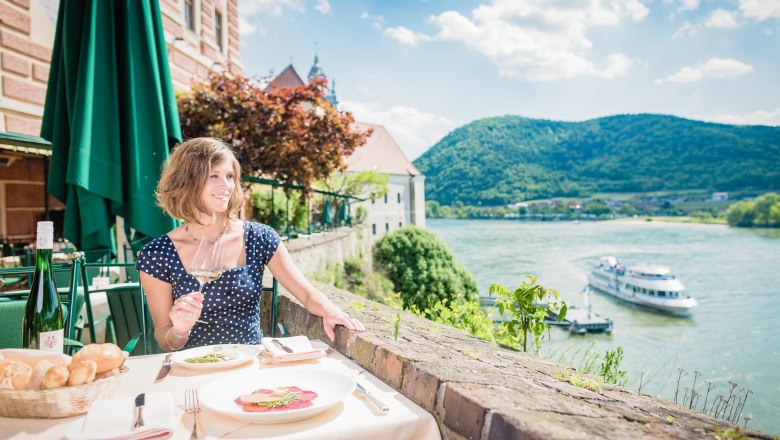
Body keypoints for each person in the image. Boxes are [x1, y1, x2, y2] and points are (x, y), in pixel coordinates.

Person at [137, 137, 365, 351]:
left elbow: (306, 294)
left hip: (251, 366)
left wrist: (331, 311)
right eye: (213, 176)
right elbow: (165, 340)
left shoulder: (260, 237)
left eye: (229, 176)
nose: (226, 186)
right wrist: (180, 329)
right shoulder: (156, 254)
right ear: (186, 181)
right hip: (194, 371)